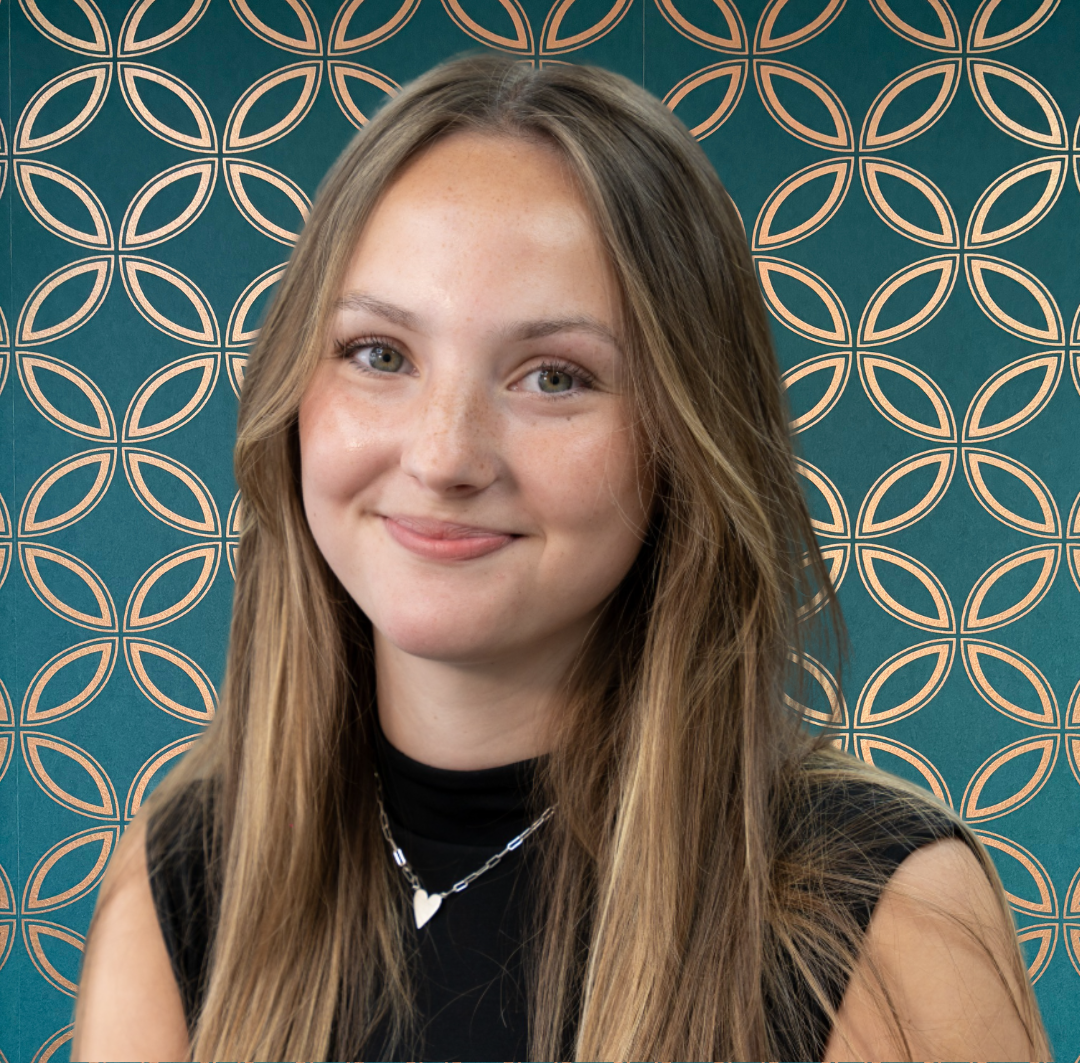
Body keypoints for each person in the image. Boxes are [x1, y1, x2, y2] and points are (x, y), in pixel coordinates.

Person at [71, 53, 1049, 1062]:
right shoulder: (179, 882)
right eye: (380, 354)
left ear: (685, 438)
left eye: (555, 377)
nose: (444, 456)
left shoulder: (876, 915)